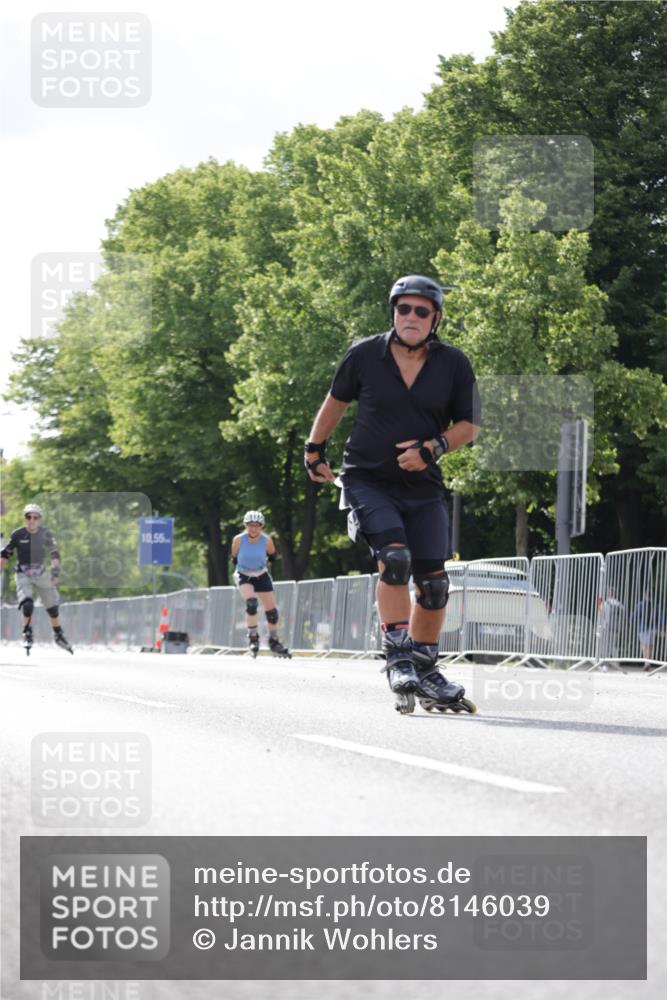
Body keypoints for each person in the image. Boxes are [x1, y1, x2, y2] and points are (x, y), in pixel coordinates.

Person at [304, 274, 481, 711]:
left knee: (436, 584)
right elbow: (335, 402)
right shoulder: (365, 355)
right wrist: (313, 449)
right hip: (368, 479)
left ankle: (425, 667)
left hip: (423, 486)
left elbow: (470, 426)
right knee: (396, 559)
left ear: (435, 318)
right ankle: (397, 655)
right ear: (393, 312)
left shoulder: (454, 363)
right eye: (404, 308)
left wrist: (433, 448)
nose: (412, 317)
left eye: (422, 310)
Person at [0, 503, 73, 653]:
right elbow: (5, 554)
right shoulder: (17, 534)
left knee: (52, 607)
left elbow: (54, 554)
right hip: (23, 573)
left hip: (41, 573)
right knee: (28, 605)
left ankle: (58, 635)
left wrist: (56, 572)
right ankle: (27, 633)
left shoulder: (46, 534)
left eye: (35, 517)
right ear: (25, 518)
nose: (31, 520)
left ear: (39, 519)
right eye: (28, 517)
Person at [231, 511, 291, 658]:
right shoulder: (238, 540)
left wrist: (263, 566)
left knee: (272, 612)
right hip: (244, 574)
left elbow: (272, 556)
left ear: (262, 527)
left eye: (257, 526)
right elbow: (234, 558)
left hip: (261, 573)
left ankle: (274, 641)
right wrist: (245, 569)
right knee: (251, 604)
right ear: (245, 526)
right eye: (250, 526)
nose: (253, 529)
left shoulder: (267, 540)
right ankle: (253, 638)